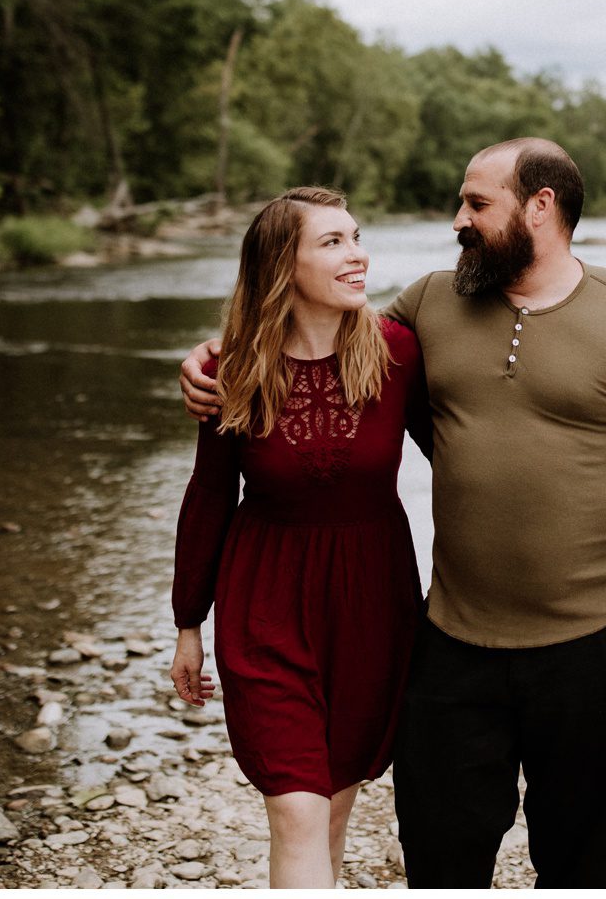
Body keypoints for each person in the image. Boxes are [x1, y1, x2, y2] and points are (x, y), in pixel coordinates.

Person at [182, 138, 606, 888]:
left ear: (541, 207)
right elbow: (316, 337)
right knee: (438, 866)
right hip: (450, 646)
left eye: (476, 204)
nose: (458, 219)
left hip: (594, 646)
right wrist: (216, 356)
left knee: (576, 867)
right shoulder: (432, 305)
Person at [167, 186, 431, 888]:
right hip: (265, 605)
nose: (358, 254)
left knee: (334, 809)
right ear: (285, 265)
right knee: (297, 813)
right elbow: (211, 494)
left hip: (372, 604)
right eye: (333, 242)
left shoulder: (399, 352)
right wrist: (188, 622)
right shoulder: (233, 369)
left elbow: (475, 443)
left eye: (356, 236)